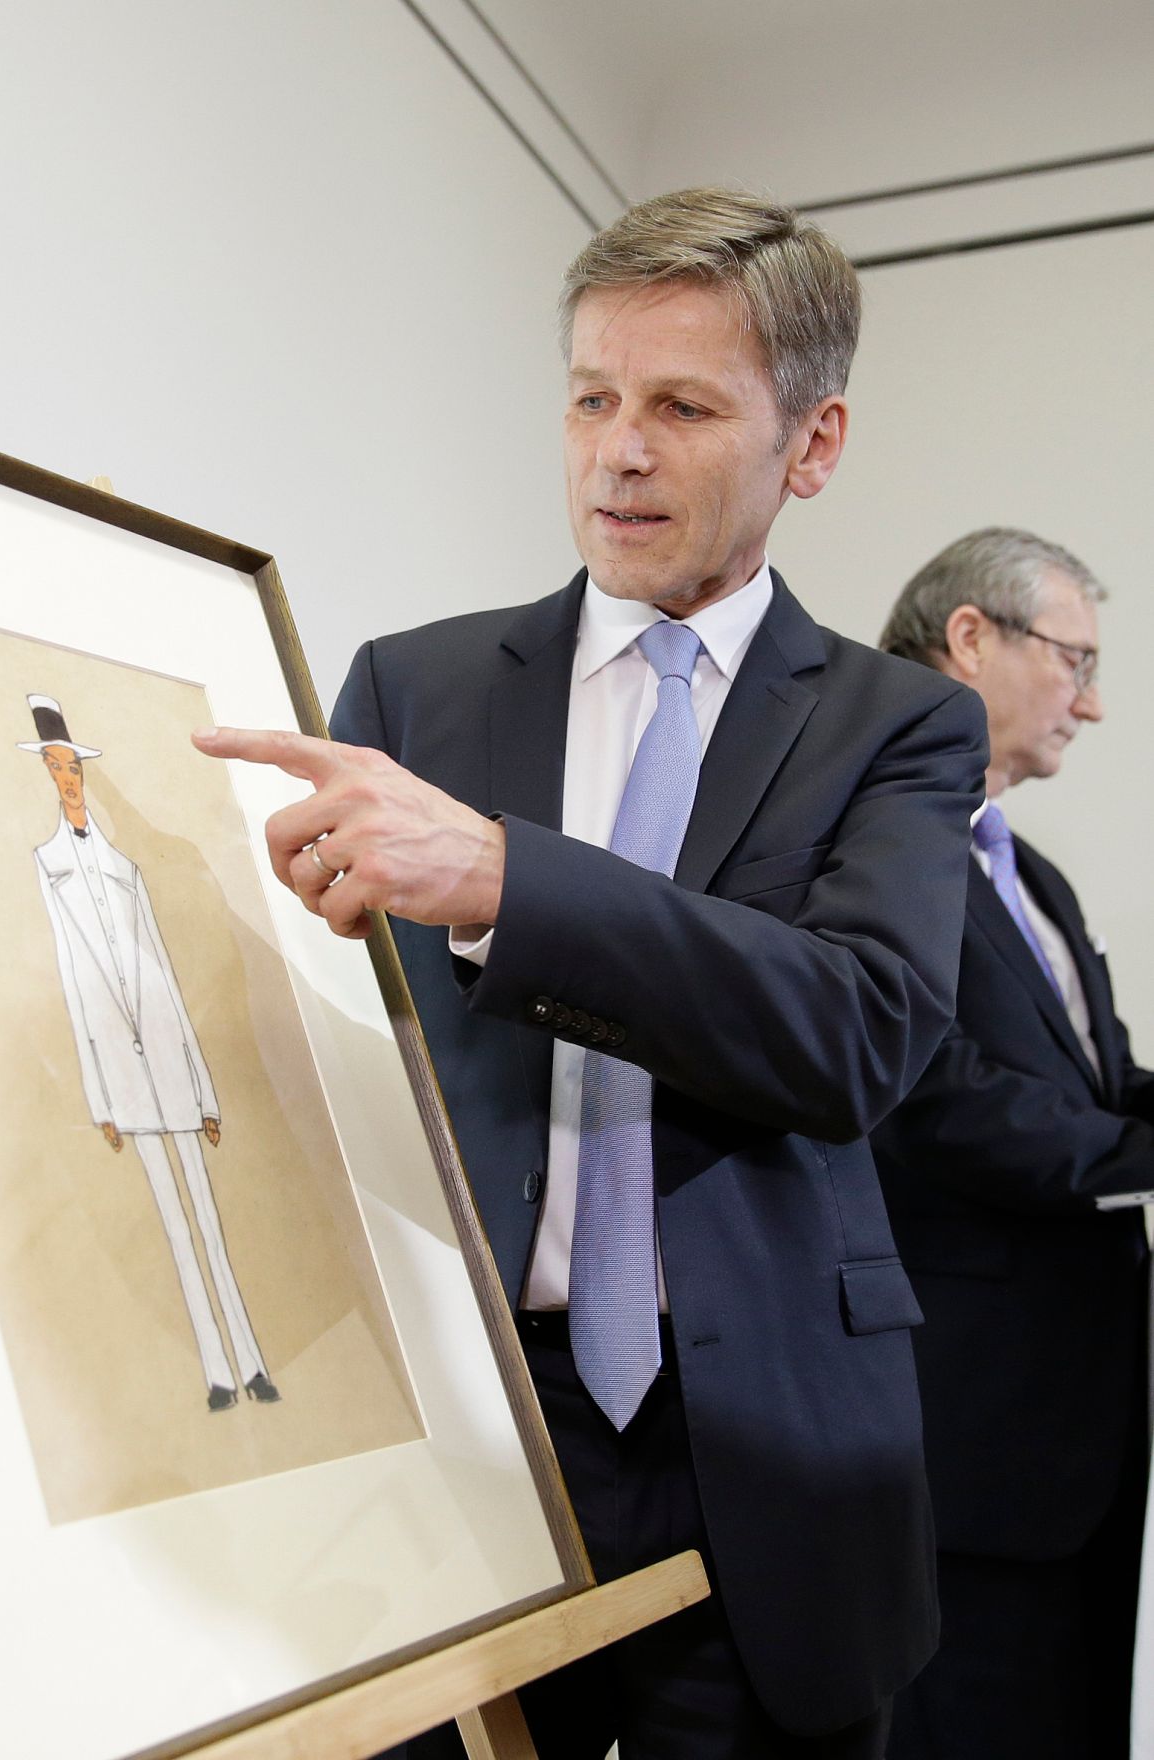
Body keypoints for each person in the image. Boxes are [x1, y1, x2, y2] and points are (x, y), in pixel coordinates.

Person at [193, 189, 987, 1757]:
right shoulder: (410, 689)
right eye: (590, 398)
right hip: (468, 1430)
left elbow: (856, 1034)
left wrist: (509, 884)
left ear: (811, 445)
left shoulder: (896, 726)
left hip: (761, 1447)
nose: (619, 449)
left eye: (683, 406)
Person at [872, 530, 1151, 1760]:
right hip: (969, 1436)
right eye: (1072, 660)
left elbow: (1098, 1083)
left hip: (1082, 1421)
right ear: (970, 637)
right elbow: (929, 1092)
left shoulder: (1028, 870)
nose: (1088, 701)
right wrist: (1129, 1159)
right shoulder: (873, 845)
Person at [22, 693, 279, 1412]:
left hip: (168, 1058)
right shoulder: (50, 868)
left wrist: (203, 1094)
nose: (68, 780)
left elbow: (163, 973)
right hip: (121, 1071)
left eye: (74, 767)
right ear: (46, 773)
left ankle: (253, 1361)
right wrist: (100, 1098)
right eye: (56, 768)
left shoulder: (124, 870)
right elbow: (74, 986)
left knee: (209, 1219)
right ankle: (219, 1375)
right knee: (172, 1223)